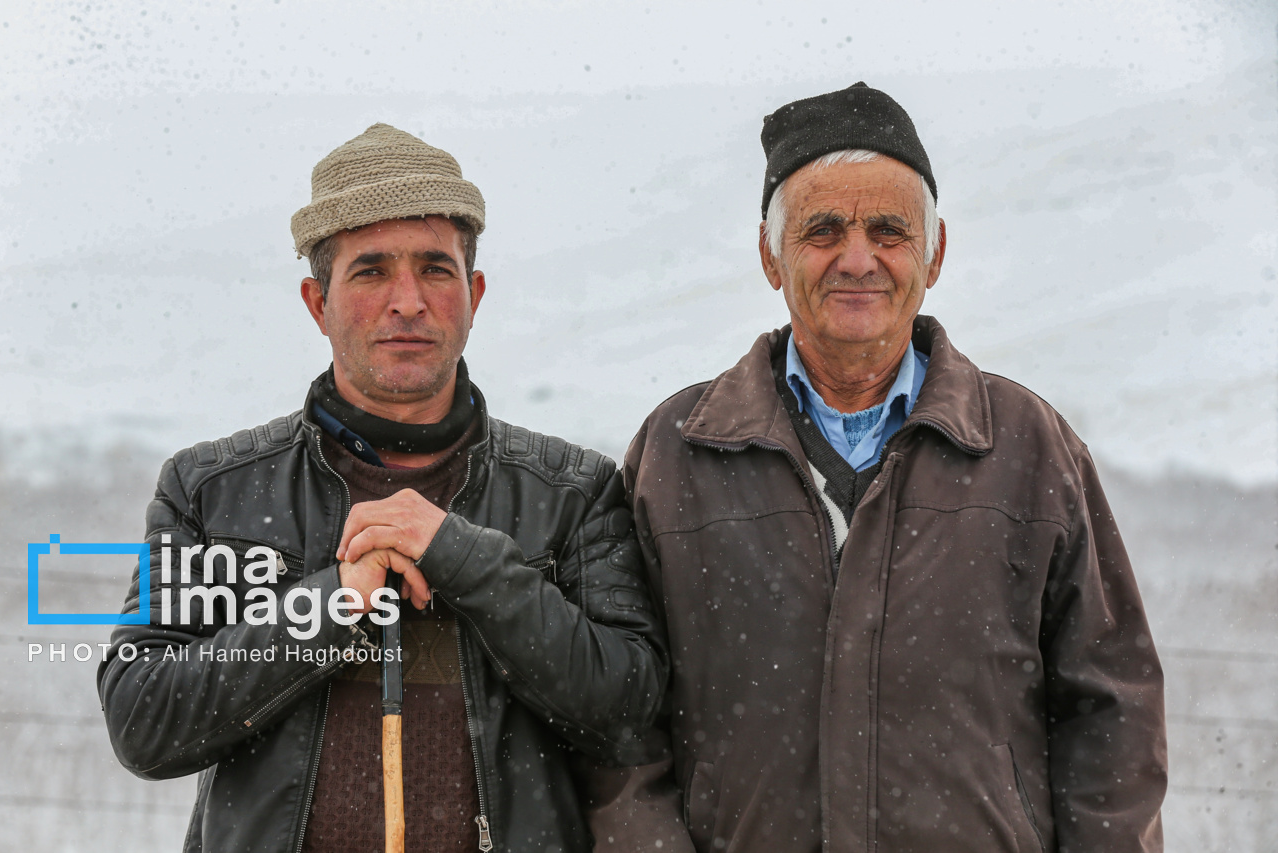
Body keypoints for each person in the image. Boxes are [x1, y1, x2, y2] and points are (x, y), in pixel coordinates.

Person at [623, 83, 1167, 852]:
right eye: (822, 230)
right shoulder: (676, 453)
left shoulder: (1028, 446)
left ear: (935, 254)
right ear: (769, 256)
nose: (858, 258)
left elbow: (1113, 714)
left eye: (888, 230)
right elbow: (622, 724)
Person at [98, 123, 668, 853]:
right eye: (370, 271)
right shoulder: (211, 491)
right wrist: (329, 602)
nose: (408, 300)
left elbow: (629, 709)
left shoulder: (572, 492)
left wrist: (466, 560)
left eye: (436, 268)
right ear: (317, 302)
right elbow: (142, 718)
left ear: (475, 292)